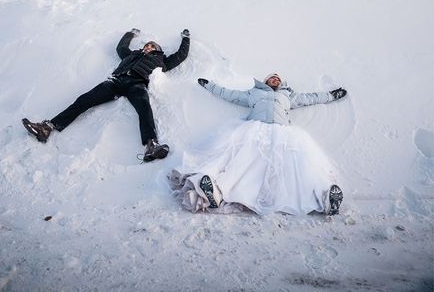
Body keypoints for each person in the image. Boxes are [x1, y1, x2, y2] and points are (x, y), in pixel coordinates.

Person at [169, 72, 347, 214]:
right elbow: (229, 94)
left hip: (283, 133)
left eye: (278, 78)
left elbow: (311, 97)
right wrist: (210, 85)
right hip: (255, 130)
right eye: (272, 77)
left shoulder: (288, 96)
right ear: (266, 81)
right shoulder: (254, 93)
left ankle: (325, 198)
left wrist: (332, 95)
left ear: (281, 83)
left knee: (300, 166)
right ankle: (215, 190)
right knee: (236, 160)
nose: (275, 79)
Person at [22, 28, 190, 162]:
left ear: (158, 51)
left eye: (152, 46)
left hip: (137, 84)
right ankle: (47, 127)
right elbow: (121, 47)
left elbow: (181, 56)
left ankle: (151, 145)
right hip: (115, 82)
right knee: (84, 99)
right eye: (147, 45)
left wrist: (185, 38)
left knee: (144, 108)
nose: (148, 47)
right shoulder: (132, 54)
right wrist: (130, 34)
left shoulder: (162, 61)